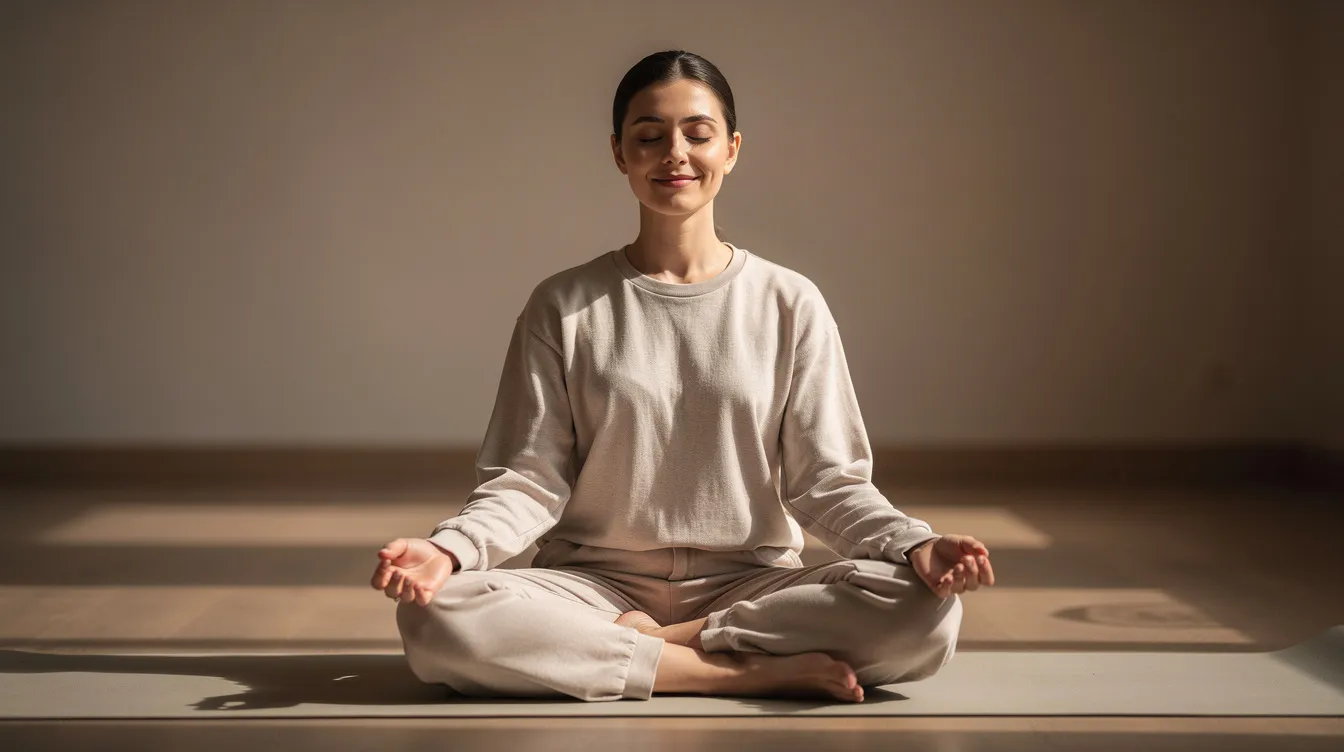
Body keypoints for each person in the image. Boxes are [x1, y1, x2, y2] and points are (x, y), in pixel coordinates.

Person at [370, 49, 996, 703]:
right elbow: (528, 483)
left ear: (731, 149)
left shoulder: (789, 302)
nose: (675, 152)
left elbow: (828, 483)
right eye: (649, 136)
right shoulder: (563, 304)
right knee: (435, 613)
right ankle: (735, 671)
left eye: (697, 134)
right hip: (593, 587)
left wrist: (913, 545)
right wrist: (449, 552)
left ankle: (655, 647)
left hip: (748, 587)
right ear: (620, 153)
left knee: (925, 613)